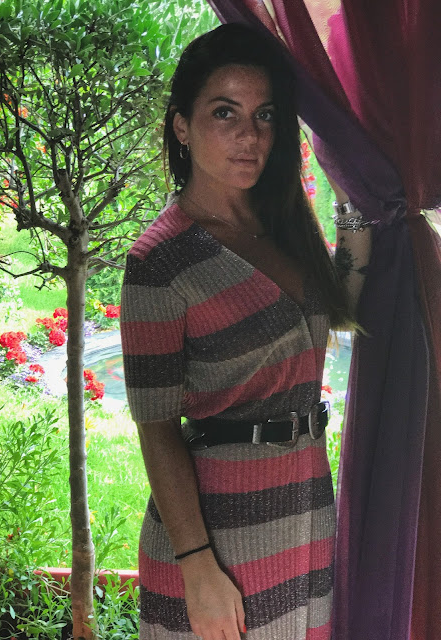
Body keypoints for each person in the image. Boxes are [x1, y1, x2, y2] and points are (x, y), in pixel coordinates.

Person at [120, 23, 372, 640]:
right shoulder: (159, 262)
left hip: (306, 508)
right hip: (219, 534)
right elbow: (157, 429)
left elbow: (339, 306)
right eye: (224, 112)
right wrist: (197, 566)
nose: (250, 135)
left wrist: (357, 190)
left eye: (264, 115)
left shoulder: (283, 226)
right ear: (182, 127)